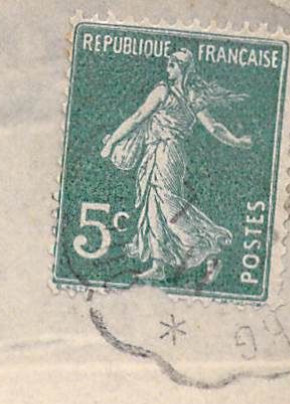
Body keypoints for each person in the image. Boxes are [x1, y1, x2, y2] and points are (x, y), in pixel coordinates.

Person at [100, 48, 252, 283]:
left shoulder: (167, 92)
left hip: (167, 152)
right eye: (168, 64)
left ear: (182, 68)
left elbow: (139, 116)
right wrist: (237, 141)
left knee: (168, 202)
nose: (167, 69)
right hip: (156, 151)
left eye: (172, 65)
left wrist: (111, 142)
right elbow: (214, 128)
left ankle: (202, 244)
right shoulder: (189, 96)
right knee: (153, 206)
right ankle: (158, 264)